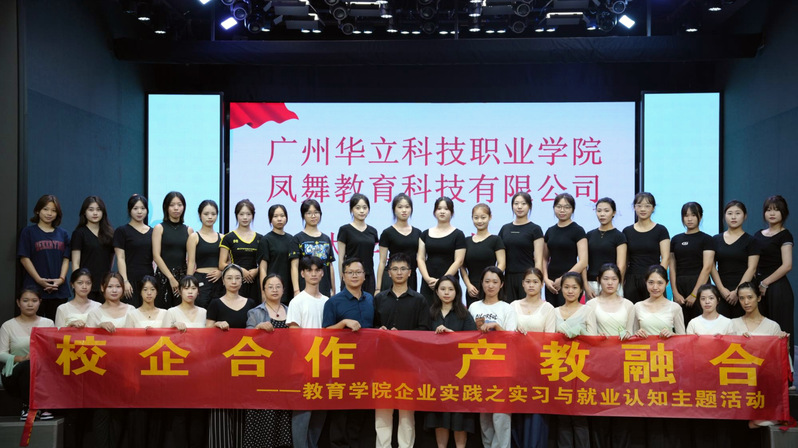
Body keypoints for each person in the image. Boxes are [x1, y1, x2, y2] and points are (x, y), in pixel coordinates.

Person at [373, 253, 429, 448]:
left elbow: (424, 331)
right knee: (382, 413)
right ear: (388, 273)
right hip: (382, 363)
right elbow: (371, 328)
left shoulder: (419, 300)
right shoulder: (379, 298)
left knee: (406, 414)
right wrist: (379, 331)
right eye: (395, 269)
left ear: (410, 272)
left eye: (403, 269)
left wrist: (403, 335)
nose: (399, 272)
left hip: (408, 364)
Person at [322, 258, 375, 448]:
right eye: (350, 272)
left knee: (359, 411)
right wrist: (343, 323)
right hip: (341, 364)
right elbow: (325, 333)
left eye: (358, 272)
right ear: (343, 276)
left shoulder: (370, 299)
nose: (354, 276)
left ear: (364, 276)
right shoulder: (333, 302)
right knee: (340, 412)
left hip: (366, 364)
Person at [206, 264, 258, 448]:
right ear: (223, 281)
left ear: (242, 281)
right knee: (220, 409)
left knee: (242, 408)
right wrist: (216, 325)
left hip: (244, 363)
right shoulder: (215, 303)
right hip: (220, 364)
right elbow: (206, 331)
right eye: (229, 278)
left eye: (237, 278)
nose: (234, 281)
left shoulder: (251, 303)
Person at [584, 263, 634, 448]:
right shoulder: (590, 304)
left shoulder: (628, 305)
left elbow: (631, 334)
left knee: (622, 410)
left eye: (614, 279)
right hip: (599, 364)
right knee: (600, 410)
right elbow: (590, 335)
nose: (610, 283)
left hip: (623, 365)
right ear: (598, 280)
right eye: (606, 279)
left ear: (619, 281)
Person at [424, 275, 477, 448]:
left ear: (457, 292)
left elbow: (472, 342)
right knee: (440, 417)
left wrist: (451, 335)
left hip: (460, 374)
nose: (446, 293)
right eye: (443, 289)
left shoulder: (464, 314)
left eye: (450, 289)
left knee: (459, 418)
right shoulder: (430, 313)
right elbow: (420, 339)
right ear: (437, 292)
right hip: (436, 374)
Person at [729, 282, 791, 427]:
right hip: (738, 381)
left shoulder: (772, 326)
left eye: (750, 297)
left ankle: (768, 415)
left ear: (758, 297)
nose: (746, 302)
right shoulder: (731, 324)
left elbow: (781, 361)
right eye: (742, 298)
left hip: (763, 381)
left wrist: (785, 344)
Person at [468, 267, 516, 448]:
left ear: (501, 284)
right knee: (485, 414)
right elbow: (466, 336)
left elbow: (513, 339)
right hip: (479, 366)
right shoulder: (474, 307)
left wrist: (497, 327)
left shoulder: (507, 308)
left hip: (502, 368)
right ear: (481, 283)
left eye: (495, 282)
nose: (490, 285)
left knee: (501, 415)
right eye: (487, 281)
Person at [243, 274, 292, 448]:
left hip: (285, 371)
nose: (274, 290)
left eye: (278, 286)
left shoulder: (291, 310)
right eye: (270, 287)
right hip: (262, 372)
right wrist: (257, 328)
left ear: (283, 289)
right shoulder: (256, 312)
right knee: (263, 412)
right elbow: (246, 341)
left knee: (282, 413)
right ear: (263, 290)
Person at [87, 272, 135, 447]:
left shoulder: (131, 310)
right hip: (100, 370)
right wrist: (98, 328)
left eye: (118, 286)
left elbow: (136, 341)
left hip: (124, 370)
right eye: (110, 286)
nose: (114, 290)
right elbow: (86, 344)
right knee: (101, 413)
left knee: (119, 414)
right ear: (102, 288)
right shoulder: (94, 313)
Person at [286, 256, 329, 448]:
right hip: (303, 366)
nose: (313, 274)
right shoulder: (297, 301)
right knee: (303, 414)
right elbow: (294, 337)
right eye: (309, 270)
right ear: (302, 274)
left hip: (325, 366)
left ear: (322, 273)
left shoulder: (328, 301)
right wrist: (310, 360)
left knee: (319, 413)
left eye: (317, 270)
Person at [162, 275, 208, 448]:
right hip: (178, 370)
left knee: (197, 415)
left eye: (193, 288)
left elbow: (209, 340)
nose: (190, 292)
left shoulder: (204, 312)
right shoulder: (171, 312)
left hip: (199, 371)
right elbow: (161, 341)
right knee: (179, 414)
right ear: (179, 291)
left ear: (198, 291)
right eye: (186, 288)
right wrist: (172, 329)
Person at [510, 267, 554, 448]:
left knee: (536, 410)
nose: (531, 285)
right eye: (528, 281)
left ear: (542, 284)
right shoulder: (513, 306)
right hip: (516, 366)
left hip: (538, 367)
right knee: (517, 407)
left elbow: (550, 339)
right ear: (522, 284)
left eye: (535, 282)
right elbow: (506, 335)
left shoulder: (548, 308)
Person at [123, 275, 166, 448]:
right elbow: (125, 344)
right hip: (138, 370)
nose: (149, 293)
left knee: (157, 415)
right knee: (138, 415)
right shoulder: (132, 314)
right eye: (145, 289)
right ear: (140, 292)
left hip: (160, 370)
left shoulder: (165, 313)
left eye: (152, 289)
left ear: (157, 292)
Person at [0, 289, 55, 420]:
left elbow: (53, 350)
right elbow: (1, 353)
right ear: (18, 303)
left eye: (34, 301)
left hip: (42, 374)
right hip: (14, 375)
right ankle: (29, 406)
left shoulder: (48, 323)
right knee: (28, 364)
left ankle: (44, 405)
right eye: (25, 301)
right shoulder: (8, 326)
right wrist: (22, 358)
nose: (30, 304)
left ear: (40, 302)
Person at [552, 272, 590, 448]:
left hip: (580, 370)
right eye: (566, 287)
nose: (570, 291)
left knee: (580, 417)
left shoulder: (587, 310)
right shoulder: (554, 311)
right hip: (559, 369)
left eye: (574, 287)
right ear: (561, 289)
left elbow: (594, 337)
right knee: (562, 417)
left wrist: (579, 332)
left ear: (581, 290)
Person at [752, 195, 794, 354]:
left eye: (776, 210)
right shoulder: (758, 234)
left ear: (784, 213)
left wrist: (765, 283)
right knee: (761, 332)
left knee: (781, 330)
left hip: (778, 288)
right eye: (768, 210)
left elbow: (787, 265)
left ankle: (785, 368)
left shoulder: (785, 235)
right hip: (758, 288)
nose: (772, 213)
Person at [18, 194, 70, 320]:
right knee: (34, 326)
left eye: (53, 210)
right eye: (45, 209)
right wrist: (39, 280)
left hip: (58, 289)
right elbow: (24, 258)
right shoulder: (28, 232)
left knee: (57, 326)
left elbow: (66, 258)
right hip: (34, 288)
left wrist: (61, 279)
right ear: (38, 210)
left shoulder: (63, 234)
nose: (49, 213)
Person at [710, 200, 760, 318]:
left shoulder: (751, 241)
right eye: (730, 213)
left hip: (745, 291)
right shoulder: (715, 239)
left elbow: (752, 268)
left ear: (745, 216)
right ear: (724, 216)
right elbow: (711, 266)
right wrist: (722, 290)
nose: (733, 217)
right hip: (722, 290)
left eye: (737, 213)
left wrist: (738, 292)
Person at [669, 202, 715, 326]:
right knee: (680, 325)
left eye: (693, 215)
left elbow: (707, 268)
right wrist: (675, 292)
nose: (689, 219)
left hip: (700, 285)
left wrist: (695, 293)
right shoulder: (676, 239)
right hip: (680, 285)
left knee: (701, 324)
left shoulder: (707, 239)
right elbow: (672, 267)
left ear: (700, 216)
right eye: (686, 215)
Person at [418, 197, 466, 305]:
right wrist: (427, 279)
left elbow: (459, 261)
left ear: (452, 212)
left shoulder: (458, 234)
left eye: (446, 209)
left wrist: (442, 281)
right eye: (439, 208)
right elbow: (420, 258)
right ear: (434, 211)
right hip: (429, 283)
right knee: (427, 311)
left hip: (450, 283)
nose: (442, 211)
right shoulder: (425, 234)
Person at [622, 193, 670, 303]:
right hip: (632, 280)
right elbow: (624, 260)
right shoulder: (627, 231)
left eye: (647, 206)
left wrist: (658, 279)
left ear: (653, 208)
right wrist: (621, 281)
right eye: (639, 205)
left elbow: (666, 258)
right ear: (634, 207)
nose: (643, 209)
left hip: (653, 280)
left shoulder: (661, 230)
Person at [543, 193, 587, 307]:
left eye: (567, 207)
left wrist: (564, 279)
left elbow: (583, 261)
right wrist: (546, 279)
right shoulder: (550, 231)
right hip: (551, 283)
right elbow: (544, 258)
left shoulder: (578, 231)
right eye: (559, 206)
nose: (562, 210)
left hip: (571, 281)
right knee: (551, 313)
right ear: (554, 208)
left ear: (572, 209)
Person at [499, 192, 544, 302]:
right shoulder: (505, 229)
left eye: (523, 204)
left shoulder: (535, 229)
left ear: (529, 206)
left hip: (527, 278)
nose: (519, 207)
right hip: (508, 277)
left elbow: (539, 260)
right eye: (516, 203)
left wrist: (536, 281)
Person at [152, 191, 194, 308]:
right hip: (163, 277)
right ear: (166, 207)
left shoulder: (189, 230)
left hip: (182, 277)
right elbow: (156, 256)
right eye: (172, 205)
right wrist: (170, 278)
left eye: (179, 205)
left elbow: (191, 259)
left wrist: (187, 281)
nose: (176, 208)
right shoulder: (159, 228)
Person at [460, 203, 506, 306]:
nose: (479, 221)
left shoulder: (496, 240)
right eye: (476, 218)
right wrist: (468, 285)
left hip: (491, 288)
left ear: (490, 217)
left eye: (483, 217)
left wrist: (491, 282)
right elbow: (462, 266)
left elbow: (502, 263)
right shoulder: (466, 241)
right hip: (473, 289)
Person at [289, 199, 336, 297]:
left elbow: (330, 265)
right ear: (303, 215)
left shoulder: (326, 239)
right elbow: (294, 266)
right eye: (309, 213)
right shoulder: (297, 238)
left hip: (324, 289)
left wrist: (333, 289)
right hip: (305, 290)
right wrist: (296, 290)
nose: (313, 216)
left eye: (316, 212)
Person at [72, 196, 115, 301]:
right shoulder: (79, 233)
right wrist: (79, 282)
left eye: (98, 210)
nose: (95, 213)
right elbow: (75, 262)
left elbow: (111, 258)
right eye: (91, 210)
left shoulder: (109, 233)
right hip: (86, 284)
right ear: (84, 212)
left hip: (104, 284)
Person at [113, 194, 154, 306]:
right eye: (135, 208)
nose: (139, 212)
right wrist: (125, 281)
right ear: (129, 210)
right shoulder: (122, 231)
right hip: (130, 280)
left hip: (148, 280)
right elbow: (120, 258)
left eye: (143, 208)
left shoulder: (153, 232)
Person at [376, 193, 421, 294]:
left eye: (407, 207)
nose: (404, 210)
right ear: (394, 210)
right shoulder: (387, 233)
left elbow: (420, 259)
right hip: (392, 276)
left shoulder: (418, 233)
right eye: (400, 207)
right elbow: (382, 261)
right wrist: (378, 288)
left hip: (410, 276)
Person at [584, 198, 627, 300]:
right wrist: (586, 286)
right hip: (592, 284)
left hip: (612, 284)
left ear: (614, 213)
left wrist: (614, 283)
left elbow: (621, 265)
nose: (602, 214)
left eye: (606, 211)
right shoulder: (589, 235)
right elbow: (584, 263)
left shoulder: (619, 236)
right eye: (599, 211)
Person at [219, 199, 262, 301]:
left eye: (248, 214)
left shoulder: (260, 238)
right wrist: (240, 270)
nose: (245, 217)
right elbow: (221, 264)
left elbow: (264, 263)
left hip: (255, 283)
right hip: (235, 282)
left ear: (253, 216)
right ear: (236, 215)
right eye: (241, 214)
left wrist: (257, 270)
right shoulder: (228, 237)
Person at [338, 193, 380, 295]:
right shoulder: (345, 230)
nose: (362, 211)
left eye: (365, 208)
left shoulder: (372, 231)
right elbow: (341, 258)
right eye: (358, 208)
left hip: (368, 276)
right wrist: (343, 279)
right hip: (351, 276)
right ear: (351, 210)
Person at [187, 199, 223, 308]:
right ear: (200, 215)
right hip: (201, 280)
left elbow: (229, 262)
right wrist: (188, 284)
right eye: (206, 214)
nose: (210, 217)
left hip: (219, 281)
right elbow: (191, 263)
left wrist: (221, 272)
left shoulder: (222, 237)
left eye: (213, 214)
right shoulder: (194, 237)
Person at [631, 265, 685, 337]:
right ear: (645, 282)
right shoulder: (638, 306)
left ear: (667, 283)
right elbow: (633, 336)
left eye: (660, 283)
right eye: (651, 282)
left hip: (666, 345)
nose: (655, 287)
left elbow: (683, 338)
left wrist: (672, 335)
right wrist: (637, 334)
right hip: (645, 344)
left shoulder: (675, 307)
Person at [257, 204, 294, 305]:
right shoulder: (266, 240)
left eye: (282, 216)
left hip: (288, 287)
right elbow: (263, 268)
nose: (279, 219)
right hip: (272, 288)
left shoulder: (292, 239)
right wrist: (264, 292)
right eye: (275, 216)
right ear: (270, 219)